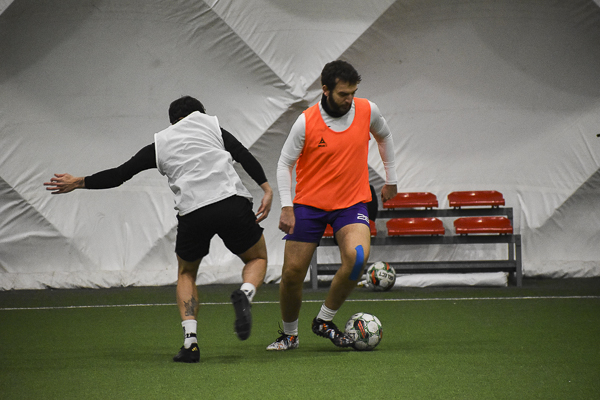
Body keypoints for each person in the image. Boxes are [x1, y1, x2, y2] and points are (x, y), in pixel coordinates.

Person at [44, 96, 273, 363]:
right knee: (257, 258)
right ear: (200, 113)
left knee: (186, 273)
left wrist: (78, 182)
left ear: (173, 121)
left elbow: (119, 174)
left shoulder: (161, 142)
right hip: (230, 202)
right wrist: (266, 188)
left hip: (193, 211)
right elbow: (243, 155)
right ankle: (245, 293)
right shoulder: (211, 126)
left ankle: (190, 344)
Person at [267, 60, 398, 351]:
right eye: (343, 94)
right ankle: (289, 335)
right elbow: (284, 163)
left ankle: (324, 320)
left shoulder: (367, 110)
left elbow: (385, 136)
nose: (349, 99)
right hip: (309, 205)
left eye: (353, 93)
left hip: (351, 203)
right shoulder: (306, 121)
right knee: (292, 274)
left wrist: (392, 179)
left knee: (358, 258)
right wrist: (287, 206)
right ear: (325, 90)